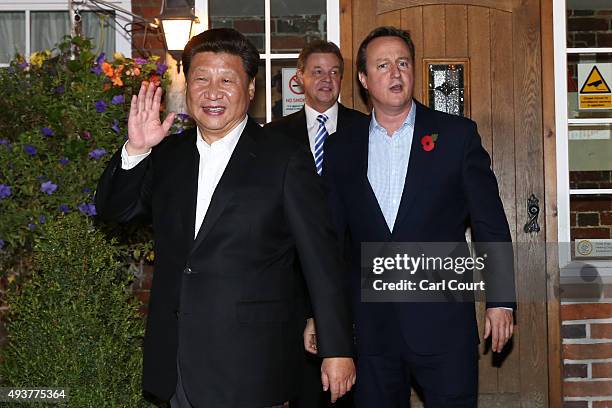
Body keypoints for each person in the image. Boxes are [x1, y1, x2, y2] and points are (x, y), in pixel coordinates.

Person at [95, 28, 355, 408]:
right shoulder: (167, 156)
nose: (212, 92)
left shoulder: (285, 159)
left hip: (252, 365)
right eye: (201, 78)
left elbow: (321, 259)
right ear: (186, 87)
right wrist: (135, 149)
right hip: (178, 364)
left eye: (227, 80)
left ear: (250, 90)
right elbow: (114, 211)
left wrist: (336, 349)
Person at [319, 26, 516, 407]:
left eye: (403, 63)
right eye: (383, 65)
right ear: (363, 79)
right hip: (370, 332)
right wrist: (322, 318)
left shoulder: (456, 137)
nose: (395, 72)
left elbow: (491, 223)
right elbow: (330, 243)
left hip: (443, 327)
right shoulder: (342, 147)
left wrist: (501, 301)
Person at [265, 40, 365, 408]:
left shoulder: (365, 131)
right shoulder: (273, 136)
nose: (327, 79)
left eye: (335, 72)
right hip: (291, 283)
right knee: (303, 391)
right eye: (318, 71)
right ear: (300, 78)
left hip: (352, 280)